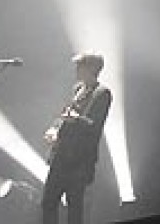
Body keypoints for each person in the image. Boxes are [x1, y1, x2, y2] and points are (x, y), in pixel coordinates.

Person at [41, 52, 112, 224]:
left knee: (75, 209)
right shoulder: (78, 89)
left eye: (80, 66)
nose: (76, 70)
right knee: (48, 203)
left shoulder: (102, 93)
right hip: (61, 157)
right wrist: (54, 129)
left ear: (91, 69)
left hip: (80, 162)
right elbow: (64, 115)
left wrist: (76, 119)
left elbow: (95, 126)